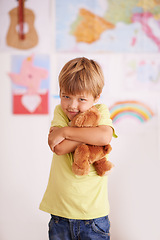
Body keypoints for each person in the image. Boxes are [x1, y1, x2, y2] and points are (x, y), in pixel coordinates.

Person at [39, 57, 117, 240]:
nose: (72, 105)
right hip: (60, 214)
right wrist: (89, 132)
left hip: (93, 215)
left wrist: (66, 131)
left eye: (81, 99)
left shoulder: (101, 111)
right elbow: (58, 147)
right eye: (66, 96)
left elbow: (105, 136)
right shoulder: (60, 111)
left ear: (96, 97)